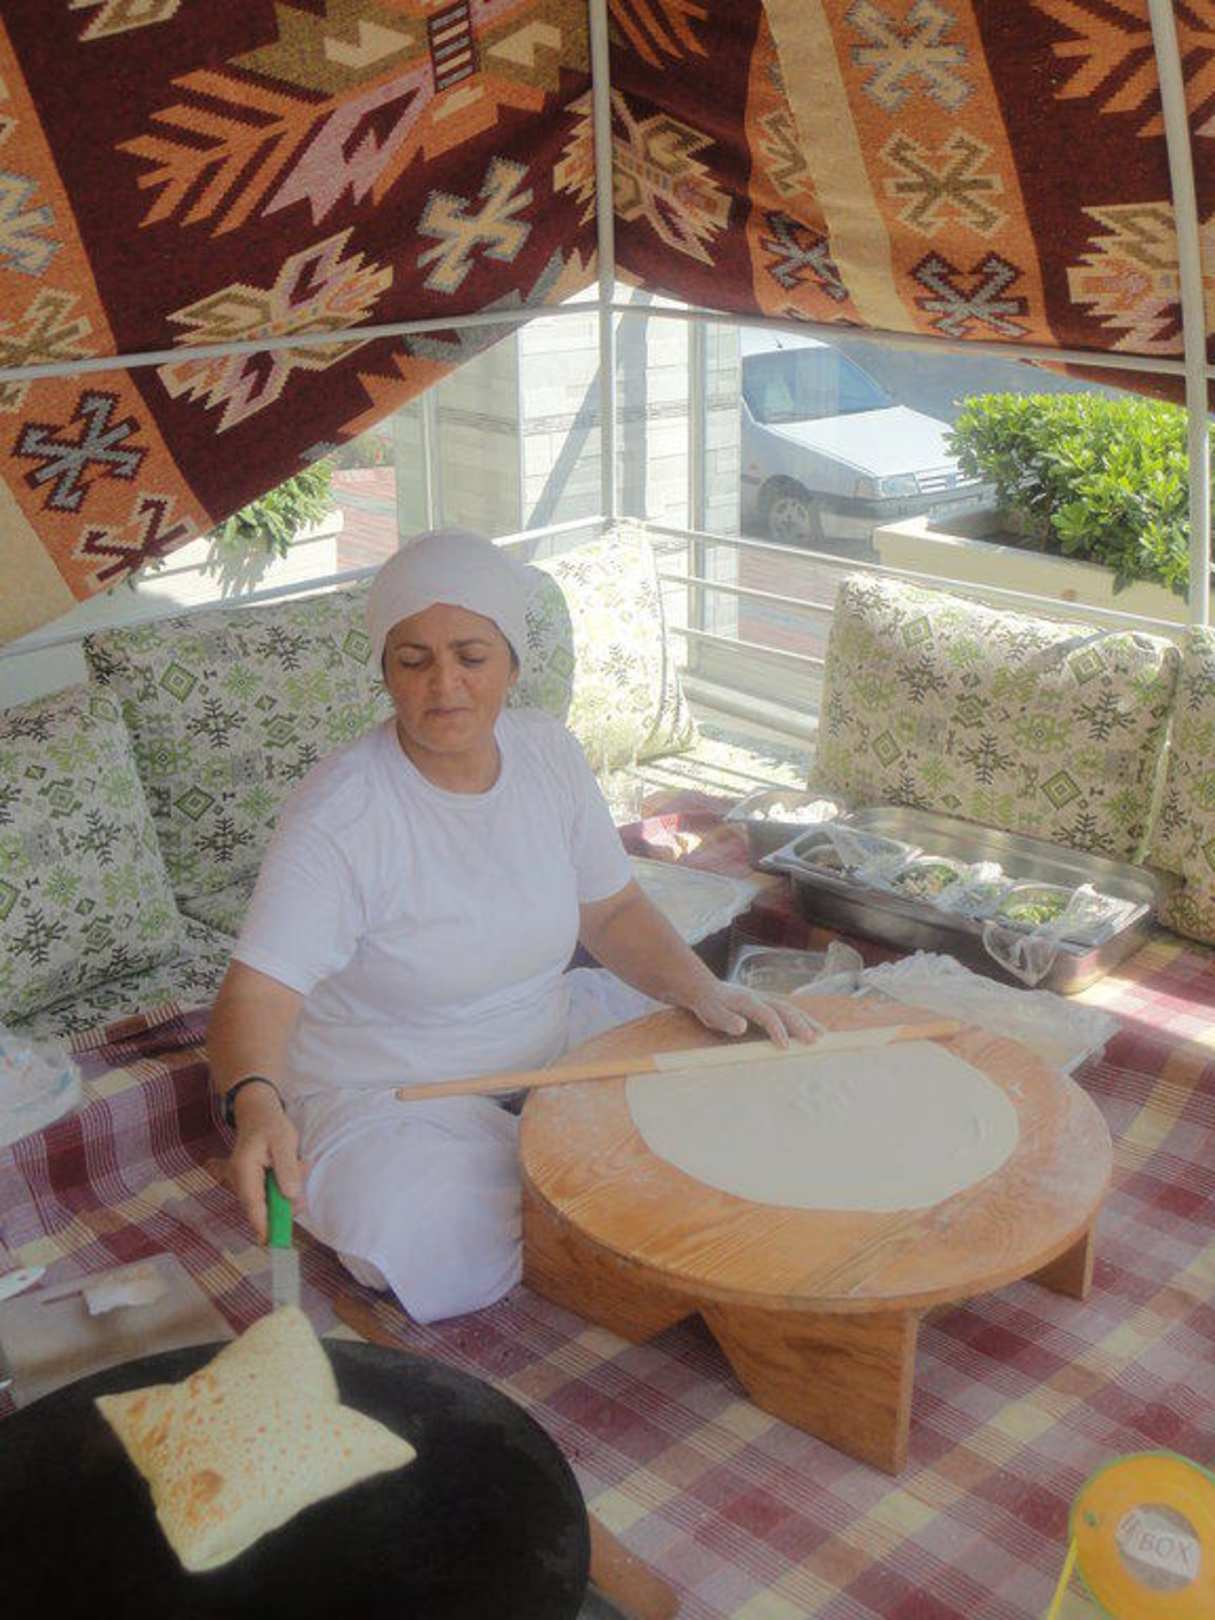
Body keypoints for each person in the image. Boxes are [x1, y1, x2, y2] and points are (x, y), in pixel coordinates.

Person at [211, 529, 815, 1324]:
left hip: (550, 1047)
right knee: (415, 1223)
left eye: (471, 656)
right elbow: (257, 993)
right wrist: (255, 1102)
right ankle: (600, 1203)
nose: (445, 685)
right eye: (413, 660)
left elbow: (612, 910)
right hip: (390, 1095)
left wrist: (703, 991)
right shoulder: (342, 813)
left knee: (732, 1083)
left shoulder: (547, 755)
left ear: (512, 665)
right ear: (385, 672)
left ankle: (588, 1198)